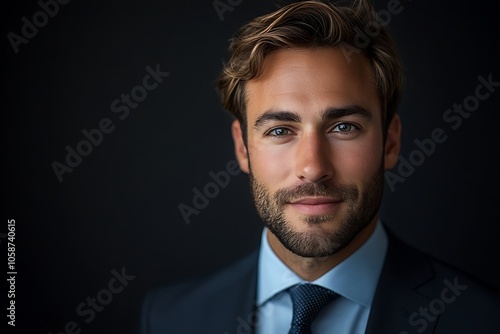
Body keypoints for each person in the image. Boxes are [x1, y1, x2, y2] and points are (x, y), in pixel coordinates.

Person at [138, 1, 500, 333]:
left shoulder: (483, 320)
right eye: (280, 130)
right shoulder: (170, 317)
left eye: (344, 127)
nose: (312, 168)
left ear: (390, 142)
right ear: (242, 147)